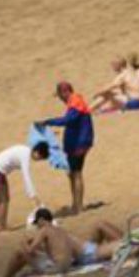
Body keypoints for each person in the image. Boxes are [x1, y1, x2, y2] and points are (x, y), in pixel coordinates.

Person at [1, 208, 124, 277]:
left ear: (41, 220)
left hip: (59, 268)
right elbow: (57, 248)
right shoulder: (59, 230)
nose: (37, 226)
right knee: (104, 230)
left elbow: (30, 251)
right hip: (70, 261)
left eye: (37, 223)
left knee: (20, 252)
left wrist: (23, 242)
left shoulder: (44, 230)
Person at [40, 82, 95, 215]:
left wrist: (48, 121)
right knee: (71, 173)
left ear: (65, 92)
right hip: (75, 143)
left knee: (76, 173)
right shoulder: (73, 102)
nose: (60, 99)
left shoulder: (76, 102)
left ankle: (79, 206)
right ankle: (75, 204)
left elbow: (68, 120)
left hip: (79, 143)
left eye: (60, 95)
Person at [0, 139, 50, 231]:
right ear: (37, 152)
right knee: (4, 200)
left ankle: (0, 224)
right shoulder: (26, 156)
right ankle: (2, 226)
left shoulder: (24, 150)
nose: (38, 160)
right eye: (39, 158)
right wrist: (33, 196)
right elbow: (26, 177)